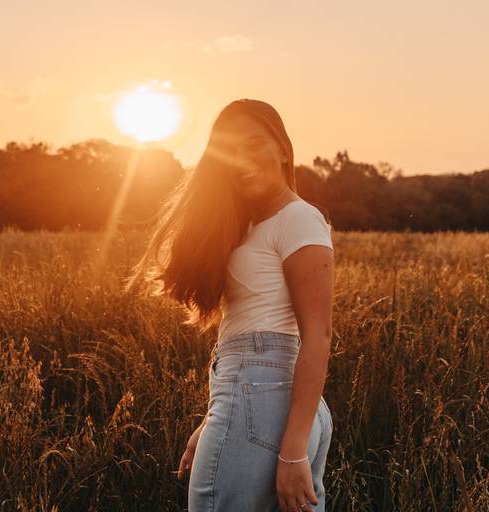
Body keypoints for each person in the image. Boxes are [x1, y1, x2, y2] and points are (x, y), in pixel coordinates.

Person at [124, 98, 334, 511]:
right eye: (230, 151)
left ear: (283, 149)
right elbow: (252, 336)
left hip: (266, 404)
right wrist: (211, 420)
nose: (242, 161)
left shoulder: (298, 219)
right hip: (264, 401)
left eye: (254, 144)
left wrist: (291, 450)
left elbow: (317, 337)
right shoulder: (259, 224)